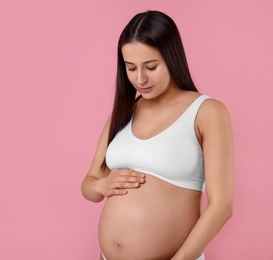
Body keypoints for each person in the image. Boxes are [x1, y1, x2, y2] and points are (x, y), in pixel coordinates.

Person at [81, 10, 233, 260]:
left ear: (172, 58)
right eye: (131, 68)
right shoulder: (123, 112)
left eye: (151, 67)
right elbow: (89, 184)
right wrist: (101, 185)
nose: (140, 79)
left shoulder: (206, 112)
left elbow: (221, 207)